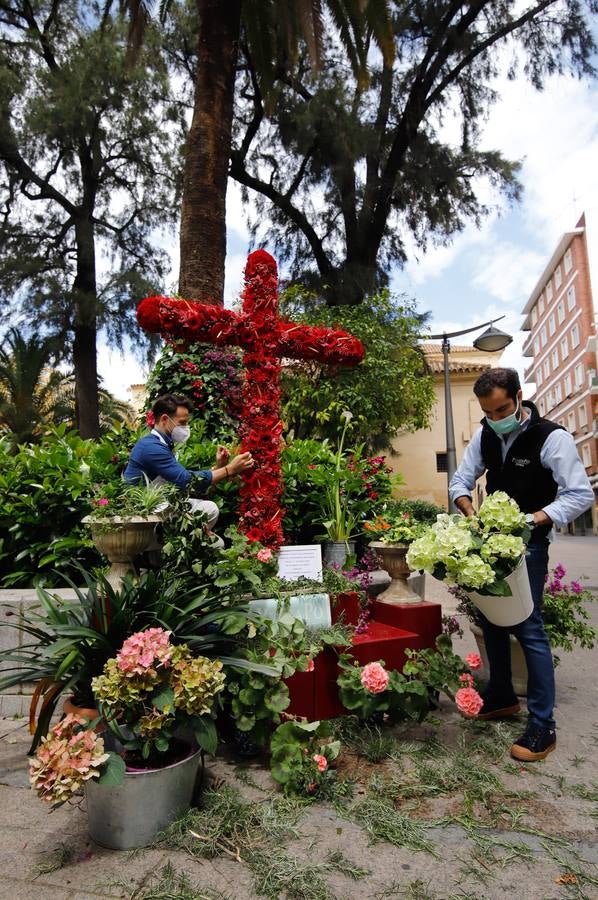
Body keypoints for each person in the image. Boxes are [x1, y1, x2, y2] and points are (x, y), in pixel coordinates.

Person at [449, 368, 593, 762]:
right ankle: (500, 696)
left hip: (529, 545)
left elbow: (579, 495)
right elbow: (460, 481)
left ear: (519, 396)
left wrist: (530, 520)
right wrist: (468, 510)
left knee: (529, 627)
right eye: (488, 413)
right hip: (491, 543)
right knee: (491, 618)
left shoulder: (552, 437)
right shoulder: (484, 435)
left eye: (502, 410)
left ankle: (543, 725)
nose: (496, 419)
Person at [124, 393, 254, 543]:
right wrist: (229, 469)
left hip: (162, 508)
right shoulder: (151, 447)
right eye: (182, 423)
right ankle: (177, 550)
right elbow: (186, 480)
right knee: (210, 517)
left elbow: (184, 479)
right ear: (165, 419)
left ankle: (195, 542)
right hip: (145, 516)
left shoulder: (161, 444)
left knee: (212, 528)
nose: (186, 428)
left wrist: (219, 466)